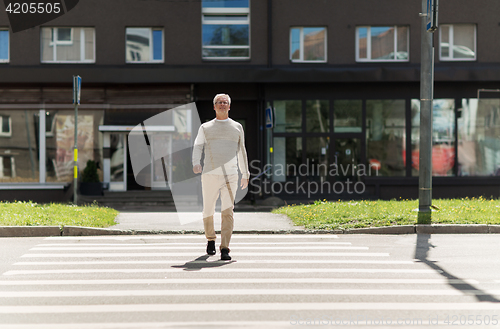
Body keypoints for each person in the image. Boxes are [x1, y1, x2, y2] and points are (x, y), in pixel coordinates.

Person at [192, 94, 250, 260]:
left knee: (228, 211)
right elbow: (197, 147)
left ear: (229, 107)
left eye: (225, 102)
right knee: (208, 210)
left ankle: (225, 247)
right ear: (214, 107)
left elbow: (242, 152)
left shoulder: (237, 127)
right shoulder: (206, 127)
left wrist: (245, 174)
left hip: (231, 175)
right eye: (219, 102)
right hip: (210, 174)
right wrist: (196, 163)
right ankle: (210, 239)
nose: (222, 104)